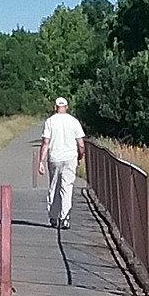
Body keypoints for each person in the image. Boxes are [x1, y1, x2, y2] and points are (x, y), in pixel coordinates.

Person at [38, 97, 85, 229]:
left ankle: (53, 216)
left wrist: (41, 161)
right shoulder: (74, 122)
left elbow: (45, 143)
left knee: (54, 186)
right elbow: (81, 144)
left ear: (55, 107)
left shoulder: (50, 121)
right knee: (67, 187)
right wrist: (80, 156)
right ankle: (65, 217)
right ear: (67, 107)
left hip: (54, 157)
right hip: (70, 158)